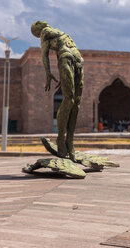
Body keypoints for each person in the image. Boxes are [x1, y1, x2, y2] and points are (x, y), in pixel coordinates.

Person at [31, 21, 83, 161]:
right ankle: (61, 140)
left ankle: (70, 142)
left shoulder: (61, 33)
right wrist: (48, 73)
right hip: (66, 58)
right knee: (69, 99)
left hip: (78, 61)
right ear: (38, 30)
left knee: (76, 103)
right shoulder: (45, 32)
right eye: (37, 24)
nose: (41, 22)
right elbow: (44, 54)